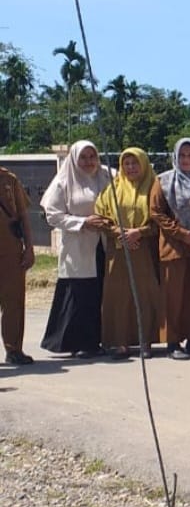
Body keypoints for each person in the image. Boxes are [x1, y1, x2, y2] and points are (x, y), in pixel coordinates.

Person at [40, 140, 111, 358]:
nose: (89, 162)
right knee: (80, 294)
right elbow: (52, 214)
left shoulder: (107, 176)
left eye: (92, 157)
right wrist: (82, 222)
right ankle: (78, 342)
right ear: (74, 159)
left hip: (105, 244)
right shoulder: (64, 181)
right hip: (78, 246)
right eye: (84, 157)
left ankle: (99, 340)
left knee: (101, 292)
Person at [94, 148, 164, 359]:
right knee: (118, 296)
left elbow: (161, 218)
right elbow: (100, 216)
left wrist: (139, 232)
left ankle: (146, 342)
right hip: (118, 249)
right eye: (127, 164)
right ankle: (119, 342)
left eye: (135, 163)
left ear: (144, 164)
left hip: (144, 249)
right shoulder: (113, 189)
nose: (131, 168)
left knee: (145, 295)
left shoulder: (153, 187)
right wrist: (119, 232)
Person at [150, 138, 190, 360]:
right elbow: (156, 212)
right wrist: (182, 234)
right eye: (182, 155)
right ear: (175, 156)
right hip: (174, 247)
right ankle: (172, 342)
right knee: (173, 296)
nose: (186, 160)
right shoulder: (164, 181)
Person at [0, 164, 36, 365]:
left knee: (13, 301)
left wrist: (29, 247)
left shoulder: (9, 179)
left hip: (10, 249)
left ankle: (13, 349)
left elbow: (23, 215)